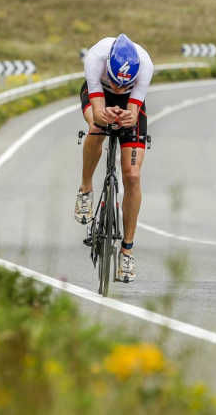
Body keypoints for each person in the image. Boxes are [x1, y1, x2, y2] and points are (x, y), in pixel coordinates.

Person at [74, 34, 154, 283]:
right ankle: (85, 187)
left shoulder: (145, 65)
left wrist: (128, 117)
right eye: (116, 83)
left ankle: (127, 251)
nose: (119, 87)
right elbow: (97, 112)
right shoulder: (95, 58)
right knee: (96, 129)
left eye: (124, 84)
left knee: (132, 175)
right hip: (99, 97)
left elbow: (132, 111)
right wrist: (103, 114)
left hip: (130, 104)